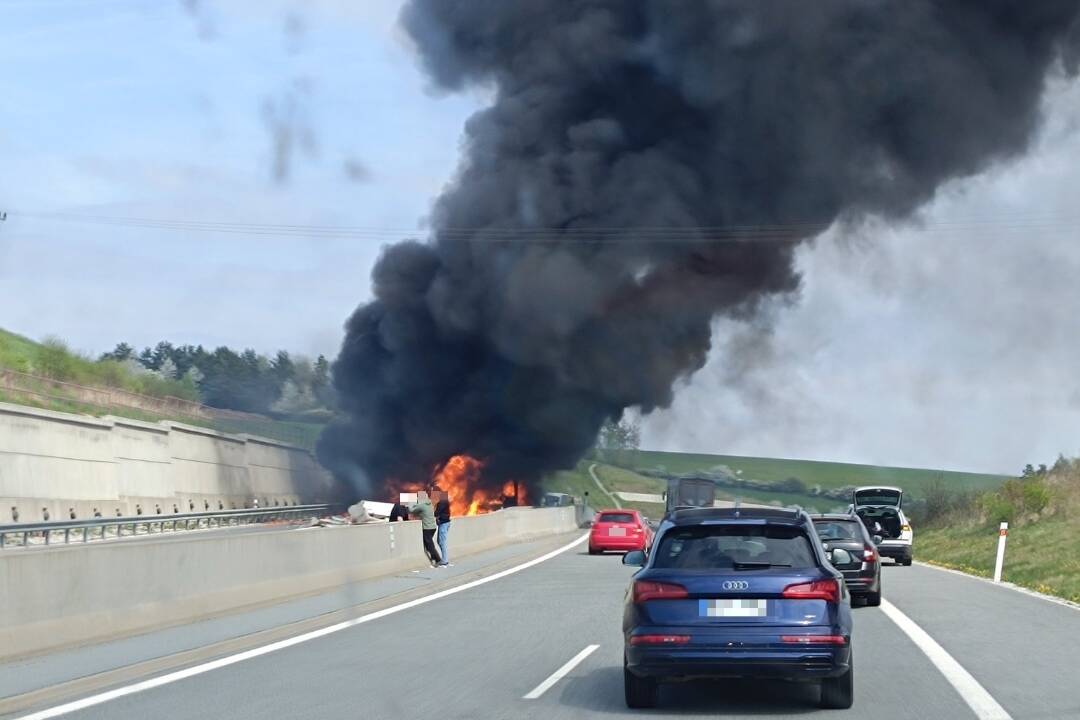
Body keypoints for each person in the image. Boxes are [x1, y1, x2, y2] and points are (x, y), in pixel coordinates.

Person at [409, 491, 440, 567]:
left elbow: (411, 510)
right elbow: (421, 513)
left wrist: (410, 502)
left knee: (429, 545)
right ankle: (433, 559)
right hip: (433, 527)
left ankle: (437, 559)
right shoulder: (430, 504)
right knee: (429, 544)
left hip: (427, 528)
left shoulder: (422, 505)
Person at [435, 495, 451, 567]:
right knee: (440, 541)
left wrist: (435, 513)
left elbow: (436, 513)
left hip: (443, 523)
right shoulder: (444, 501)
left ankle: (444, 560)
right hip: (444, 523)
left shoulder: (442, 502)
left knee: (442, 542)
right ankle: (444, 559)